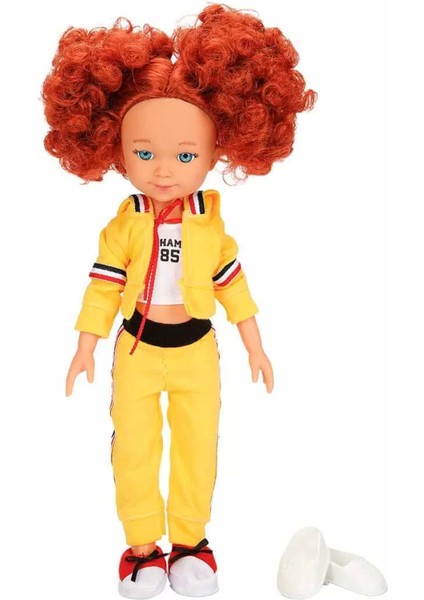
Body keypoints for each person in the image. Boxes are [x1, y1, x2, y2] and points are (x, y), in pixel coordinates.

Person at [42, 4, 316, 598]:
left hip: (195, 350)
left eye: (185, 156)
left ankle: (191, 541)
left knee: (197, 446)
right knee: (133, 448)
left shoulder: (210, 227)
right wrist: (86, 346)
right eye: (144, 153)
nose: (164, 170)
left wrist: (255, 346)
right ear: (115, 150)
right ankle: (142, 546)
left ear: (218, 152)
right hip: (137, 348)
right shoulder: (124, 227)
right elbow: (103, 286)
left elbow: (233, 285)